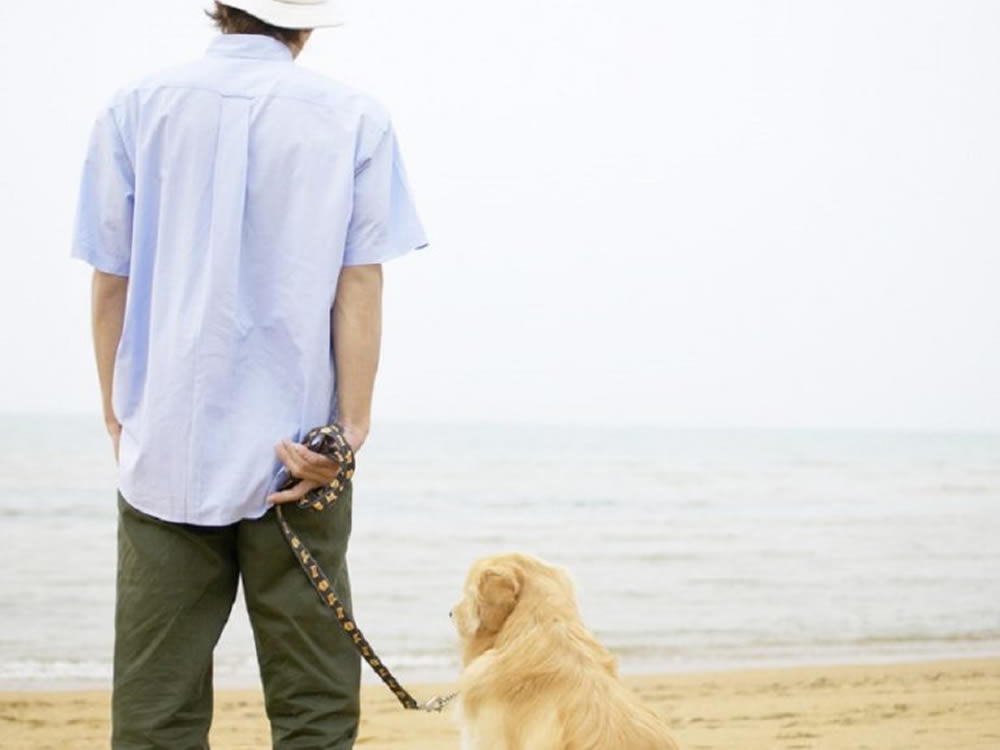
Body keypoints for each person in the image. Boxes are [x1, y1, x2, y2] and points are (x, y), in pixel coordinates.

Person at [71, 1, 427, 747]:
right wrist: (350, 430)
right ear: (303, 27)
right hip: (299, 455)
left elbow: (112, 279)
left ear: (221, 12)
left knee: (154, 713)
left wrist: (117, 411)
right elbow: (358, 282)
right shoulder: (354, 117)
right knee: (315, 709)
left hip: (165, 444)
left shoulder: (136, 107)